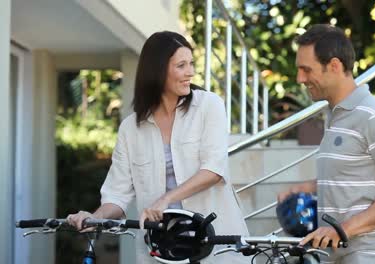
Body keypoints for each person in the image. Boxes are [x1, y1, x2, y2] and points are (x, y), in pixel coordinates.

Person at [67, 31, 249, 264]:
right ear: (158, 70)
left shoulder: (209, 105)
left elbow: (213, 170)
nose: (190, 72)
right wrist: (93, 218)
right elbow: (117, 194)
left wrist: (164, 200)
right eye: (181, 65)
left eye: (191, 64)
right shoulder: (130, 129)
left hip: (215, 246)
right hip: (161, 250)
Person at [277, 24, 375, 263]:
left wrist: (341, 230)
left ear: (334, 65)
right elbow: (355, 177)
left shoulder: (374, 116)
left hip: (372, 257)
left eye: (306, 70)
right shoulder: (335, 116)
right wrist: (308, 187)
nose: (300, 79)